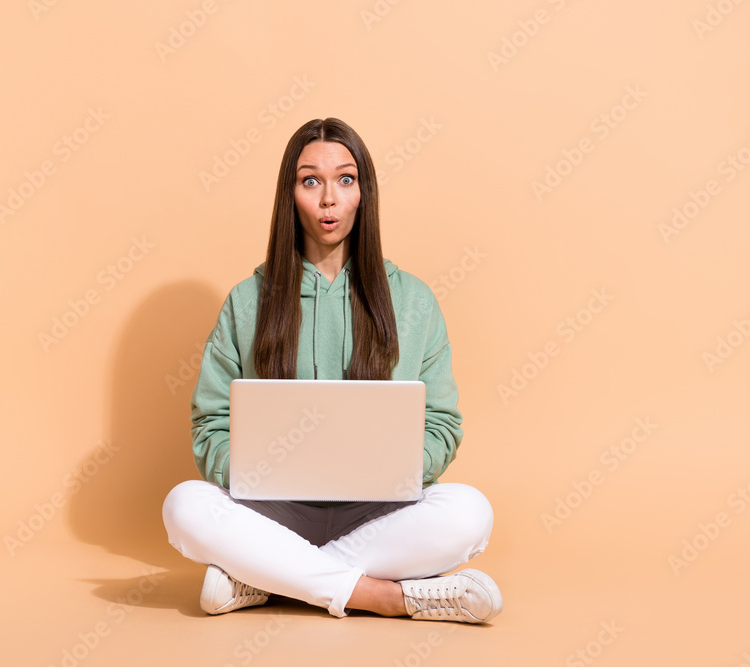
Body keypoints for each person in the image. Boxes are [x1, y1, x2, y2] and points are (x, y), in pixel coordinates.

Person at [162, 117, 502, 623]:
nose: (328, 199)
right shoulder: (247, 301)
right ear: (290, 194)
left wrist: (396, 469)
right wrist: (261, 473)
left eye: (345, 179)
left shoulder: (412, 300)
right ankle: (386, 597)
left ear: (364, 193)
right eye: (310, 181)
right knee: (184, 506)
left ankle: (264, 577)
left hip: (378, 514)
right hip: (272, 514)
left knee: (471, 511)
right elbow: (210, 425)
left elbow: (442, 424)